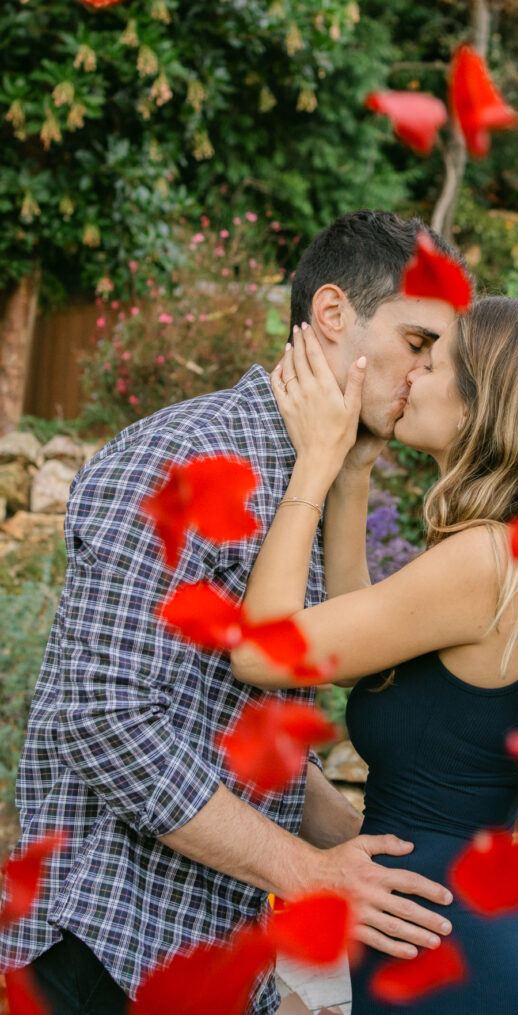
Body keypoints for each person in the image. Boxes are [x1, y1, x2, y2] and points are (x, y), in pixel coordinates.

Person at [0, 211, 466, 1015]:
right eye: (418, 344)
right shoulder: (183, 458)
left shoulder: (310, 479)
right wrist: (308, 871)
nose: (424, 377)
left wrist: (363, 846)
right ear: (330, 316)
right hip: (109, 949)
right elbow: (103, 719)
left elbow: (231, 728)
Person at [231, 296, 518, 1013]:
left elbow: (265, 653)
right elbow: (360, 656)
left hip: (452, 958)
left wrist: (314, 467)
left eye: (434, 361)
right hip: (444, 936)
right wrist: (355, 472)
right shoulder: (510, 550)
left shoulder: (488, 560)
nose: (412, 374)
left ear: (485, 405)